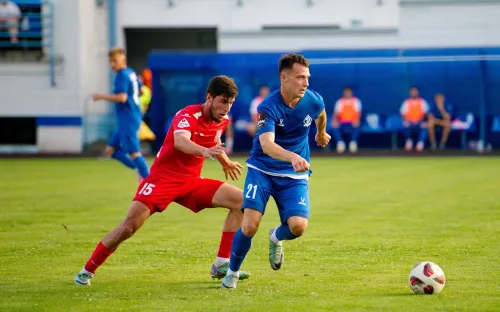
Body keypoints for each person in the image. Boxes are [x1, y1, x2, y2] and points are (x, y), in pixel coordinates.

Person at [75, 75, 251, 286]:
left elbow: (213, 139)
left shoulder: (222, 120)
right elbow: (181, 141)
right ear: (209, 97)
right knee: (128, 228)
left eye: (231, 103)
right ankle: (87, 270)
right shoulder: (187, 115)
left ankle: (221, 264)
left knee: (242, 202)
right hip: (162, 180)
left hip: (191, 182)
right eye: (223, 101)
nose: (227, 108)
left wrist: (224, 161)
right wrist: (206, 152)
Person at [221, 53, 331, 289]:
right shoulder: (267, 107)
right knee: (250, 225)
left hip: (294, 176)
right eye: (300, 77)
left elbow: (320, 112)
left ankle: (275, 237)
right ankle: (232, 272)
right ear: (284, 78)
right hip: (263, 169)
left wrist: (320, 133)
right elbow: (267, 145)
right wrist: (293, 156)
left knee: (298, 227)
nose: (306, 83)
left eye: (307, 77)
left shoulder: (313, 99)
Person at [92, 47, 150, 182]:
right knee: (110, 151)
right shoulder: (131, 73)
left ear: (123, 59)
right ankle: (140, 170)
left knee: (134, 152)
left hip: (128, 118)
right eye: (110, 61)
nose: (112, 64)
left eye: (115, 61)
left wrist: (101, 96)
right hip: (130, 116)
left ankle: (150, 180)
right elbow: (141, 91)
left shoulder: (122, 76)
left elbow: (122, 98)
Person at [331, 87, 362, 153]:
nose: (347, 93)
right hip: (342, 122)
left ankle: (353, 143)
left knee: (357, 126)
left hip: (352, 122)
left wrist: (357, 120)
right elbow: (336, 113)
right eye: (346, 92)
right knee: (334, 126)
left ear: (351, 92)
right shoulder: (340, 101)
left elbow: (358, 113)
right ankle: (340, 143)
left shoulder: (356, 101)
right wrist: (335, 121)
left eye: (349, 92)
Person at [400, 87, 430, 152]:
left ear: (418, 92)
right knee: (405, 125)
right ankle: (409, 141)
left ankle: (420, 143)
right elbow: (402, 114)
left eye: (415, 91)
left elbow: (427, 114)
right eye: (412, 91)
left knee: (425, 126)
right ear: (410, 93)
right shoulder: (406, 102)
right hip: (409, 121)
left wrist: (425, 121)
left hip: (420, 121)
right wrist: (405, 121)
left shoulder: (423, 102)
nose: (414, 93)